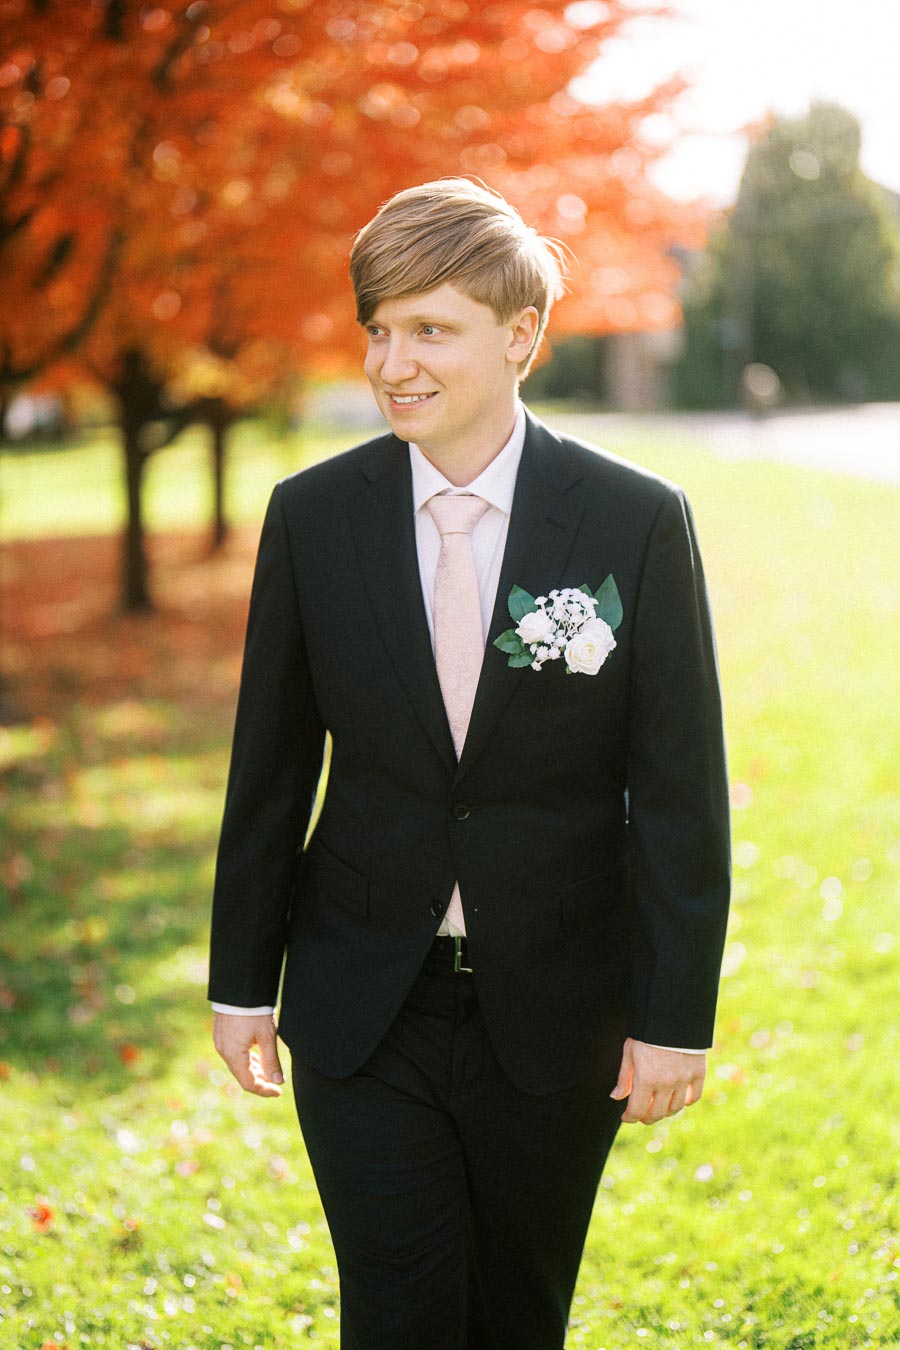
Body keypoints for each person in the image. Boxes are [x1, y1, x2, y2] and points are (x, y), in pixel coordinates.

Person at [208, 177, 730, 1350]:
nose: (393, 361)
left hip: (559, 1010)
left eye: (430, 328)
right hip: (361, 1005)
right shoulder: (313, 516)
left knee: (517, 1315)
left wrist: (675, 1013)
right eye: (379, 328)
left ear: (520, 337)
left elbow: (683, 788)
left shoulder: (633, 520)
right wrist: (242, 980)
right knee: (396, 1317)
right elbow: (272, 766)